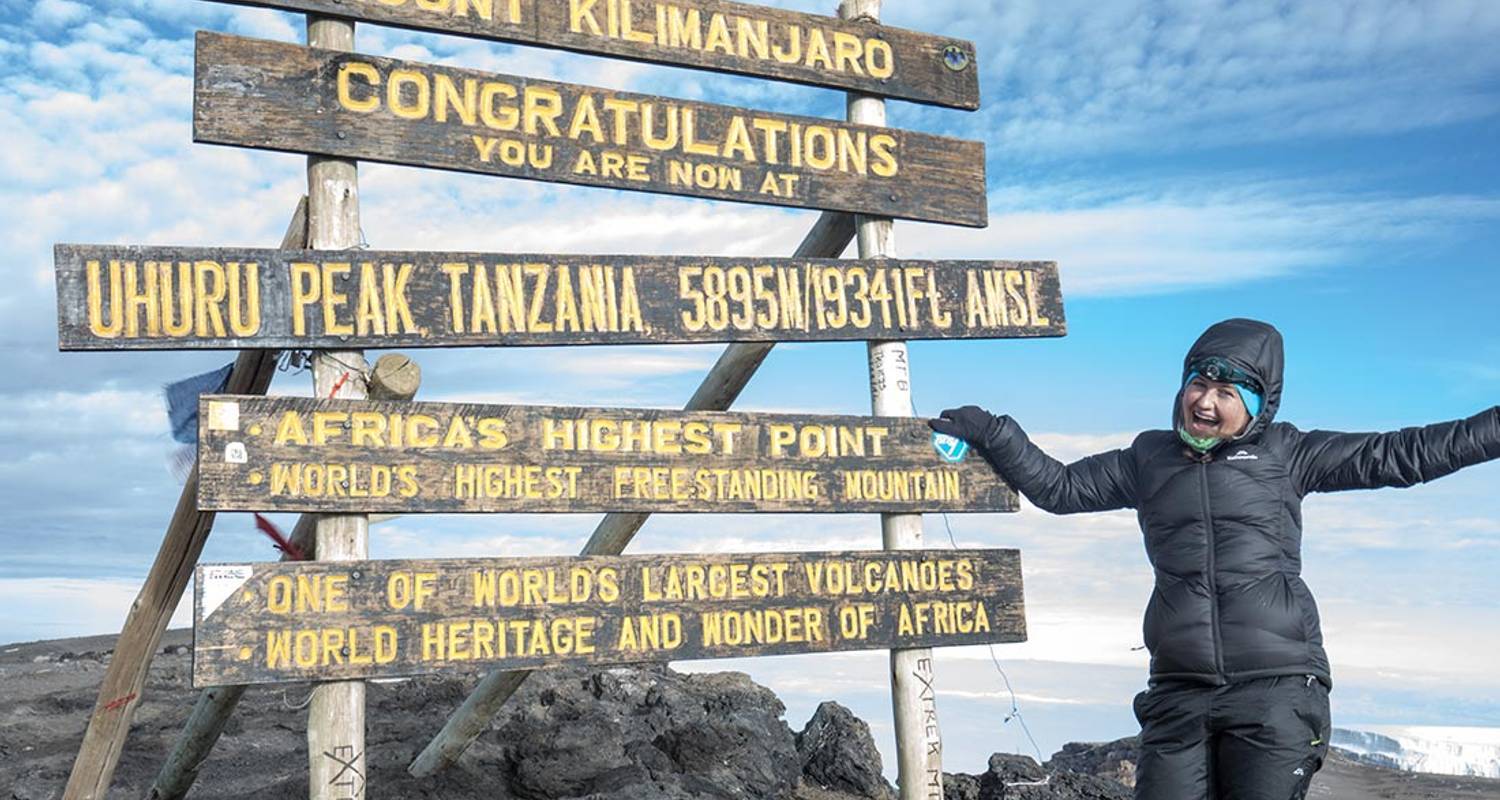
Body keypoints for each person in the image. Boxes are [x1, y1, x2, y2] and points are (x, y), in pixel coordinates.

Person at [928, 318, 1500, 800]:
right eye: (1199, 384)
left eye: (1228, 393)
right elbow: (1061, 489)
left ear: (1257, 407)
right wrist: (993, 431)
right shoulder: (1147, 458)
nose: (1206, 400)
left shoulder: (1289, 453)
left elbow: (1406, 454)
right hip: (1178, 692)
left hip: (1275, 690)